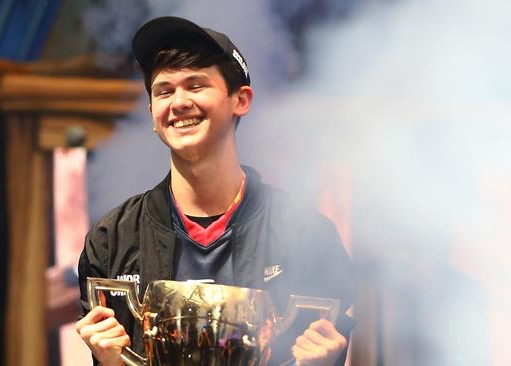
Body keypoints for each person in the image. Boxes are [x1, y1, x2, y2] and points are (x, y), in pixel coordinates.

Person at [76, 16, 356, 366]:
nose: (178, 103)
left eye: (196, 85)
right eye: (164, 91)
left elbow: (332, 338)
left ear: (241, 100)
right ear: (151, 112)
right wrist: (108, 361)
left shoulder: (305, 234)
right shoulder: (112, 238)